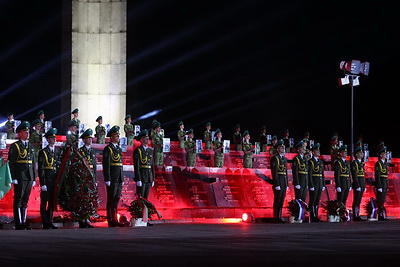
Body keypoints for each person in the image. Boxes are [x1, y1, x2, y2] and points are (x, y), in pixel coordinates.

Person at [8, 121, 36, 230]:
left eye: (28, 131)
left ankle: (23, 221)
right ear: (20, 133)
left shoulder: (31, 146)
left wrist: (33, 177)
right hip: (20, 176)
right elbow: (12, 163)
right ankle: (18, 222)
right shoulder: (15, 146)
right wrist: (13, 177)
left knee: (25, 200)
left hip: (29, 177)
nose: (27, 133)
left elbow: (33, 163)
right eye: (25, 131)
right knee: (18, 199)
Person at [38, 128, 61, 229]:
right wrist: (43, 183)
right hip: (46, 180)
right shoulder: (43, 152)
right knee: (44, 202)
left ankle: (50, 221)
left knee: (51, 202)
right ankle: (45, 222)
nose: (54, 140)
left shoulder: (57, 151)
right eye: (51, 138)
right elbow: (41, 168)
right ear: (47, 140)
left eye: (54, 138)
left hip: (54, 180)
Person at [102, 125, 125, 227]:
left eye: (118, 136)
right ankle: (111, 220)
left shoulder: (118, 149)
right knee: (111, 200)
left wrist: (122, 178)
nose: (118, 138)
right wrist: (107, 178)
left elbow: (120, 165)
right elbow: (106, 165)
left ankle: (115, 219)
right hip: (112, 178)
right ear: (111, 137)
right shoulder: (108, 149)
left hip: (118, 178)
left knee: (116, 199)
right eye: (116, 136)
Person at [78, 128, 97, 228]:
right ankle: (82, 220)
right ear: (84, 140)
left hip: (91, 178)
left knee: (89, 199)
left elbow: (94, 166)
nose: (90, 140)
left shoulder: (93, 151)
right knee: (83, 199)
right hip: (83, 177)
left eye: (90, 138)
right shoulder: (81, 151)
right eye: (88, 139)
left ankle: (87, 219)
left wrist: (95, 180)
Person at [133, 129, 155, 199]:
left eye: (148, 138)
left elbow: (152, 166)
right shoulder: (138, 150)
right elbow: (137, 166)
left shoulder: (150, 150)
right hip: (142, 177)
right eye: (145, 138)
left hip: (148, 177)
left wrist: (153, 179)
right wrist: (138, 179)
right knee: (141, 198)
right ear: (141, 140)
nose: (147, 139)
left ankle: (145, 210)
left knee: (146, 198)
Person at [270, 139, 288, 223]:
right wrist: (276, 184)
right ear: (277, 149)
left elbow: (285, 172)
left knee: (281, 200)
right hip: (278, 182)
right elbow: (274, 172)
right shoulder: (275, 158)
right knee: (277, 200)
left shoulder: (284, 159)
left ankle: (279, 216)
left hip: (283, 181)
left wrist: (286, 183)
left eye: (283, 147)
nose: (283, 149)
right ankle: (276, 217)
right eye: (281, 147)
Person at [307, 143, 325, 222]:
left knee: (317, 200)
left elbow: (322, 174)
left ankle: (316, 215)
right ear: (313, 152)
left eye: (319, 150)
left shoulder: (320, 162)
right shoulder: (310, 162)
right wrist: (311, 184)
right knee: (313, 200)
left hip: (320, 183)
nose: (318, 152)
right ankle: (312, 216)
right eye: (316, 151)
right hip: (314, 183)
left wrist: (323, 184)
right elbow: (309, 174)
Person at [351, 146, 366, 221]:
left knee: (359, 200)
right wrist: (357, 185)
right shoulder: (355, 163)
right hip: (358, 183)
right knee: (356, 199)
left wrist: (364, 185)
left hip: (362, 183)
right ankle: (355, 215)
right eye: (360, 153)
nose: (362, 154)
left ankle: (358, 214)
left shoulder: (361, 163)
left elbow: (363, 175)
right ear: (356, 154)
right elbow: (354, 175)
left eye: (362, 153)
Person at [375, 146, 389, 220]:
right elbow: (377, 176)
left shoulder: (385, 164)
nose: (386, 155)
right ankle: (379, 215)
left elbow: (386, 176)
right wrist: (379, 186)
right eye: (384, 154)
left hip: (385, 184)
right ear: (381, 155)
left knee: (383, 200)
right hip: (381, 184)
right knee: (380, 200)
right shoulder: (378, 164)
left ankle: (381, 215)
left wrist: (387, 186)